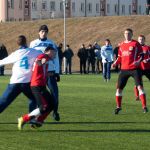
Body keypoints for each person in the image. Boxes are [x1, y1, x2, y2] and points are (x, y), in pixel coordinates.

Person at [0, 35, 42, 115]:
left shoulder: (15, 53)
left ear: (17, 44)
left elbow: (1, 62)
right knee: (34, 99)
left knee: (4, 101)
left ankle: (31, 117)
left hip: (15, 82)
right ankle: (31, 117)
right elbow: (43, 55)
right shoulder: (34, 51)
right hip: (27, 82)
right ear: (26, 42)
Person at [18, 46, 56, 130]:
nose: (54, 54)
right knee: (43, 107)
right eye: (53, 52)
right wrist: (41, 62)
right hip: (36, 86)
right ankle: (23, 119)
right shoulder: (43, 56)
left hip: (41, 85)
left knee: (52, 104)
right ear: (48, 51)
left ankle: (38, 120)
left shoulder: (46, 59)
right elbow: (39, 62)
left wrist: (53, 75)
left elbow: (42, 71)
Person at [112, 28, 148, 114]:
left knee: (140, 87)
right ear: (124, 34)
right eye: (125, 33)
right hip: (124, 70)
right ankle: (118, 107)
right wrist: (115, 63)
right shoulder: (121, 45)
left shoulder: (136, 44)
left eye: (129, 33)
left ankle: (144, 106)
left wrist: (138, 62)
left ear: (132, 34)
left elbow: (142, 55)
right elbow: (119, 57)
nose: (127, 35)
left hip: (135, 69)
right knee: (119, 89)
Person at [30, 25, 60, 121]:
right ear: (39, 32)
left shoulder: (51, 43)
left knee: (55, 93)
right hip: (38, 74)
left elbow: (56, 58)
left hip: (49, 72)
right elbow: (30, 58)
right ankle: (34, 114)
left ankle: (55, 112)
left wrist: (57, 72)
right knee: (36, 95)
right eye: (42, 31)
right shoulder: (33, 43)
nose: (44, 33)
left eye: (46, 32)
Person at [134, 35, 150, 101]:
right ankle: (137, 96)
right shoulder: (136, 48)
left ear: (144, 40)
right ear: (138, 40)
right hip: (139, 68)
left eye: (142, 39)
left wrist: (148, 60)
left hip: (147, 68)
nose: (141, 40)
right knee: (137, 83)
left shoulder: (148, 48)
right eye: (139, 39)